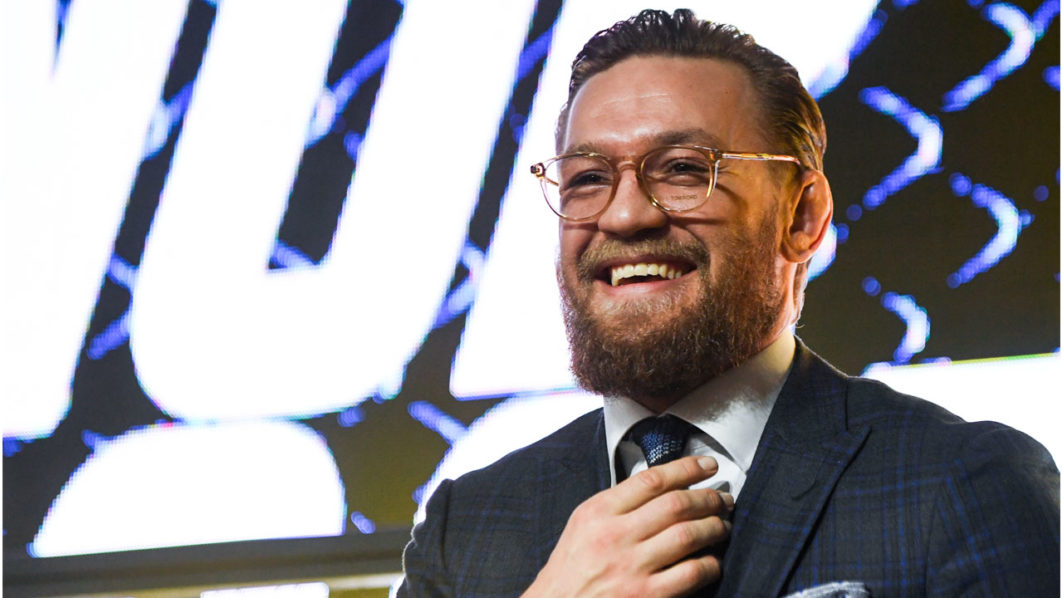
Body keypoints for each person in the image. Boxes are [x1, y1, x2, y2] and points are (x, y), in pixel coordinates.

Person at [398, 9, 1060, 597]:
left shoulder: (965, 484)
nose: (624, 215)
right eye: (589, 178)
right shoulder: (467, 527)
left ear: (802, 217)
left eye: (683, 169)